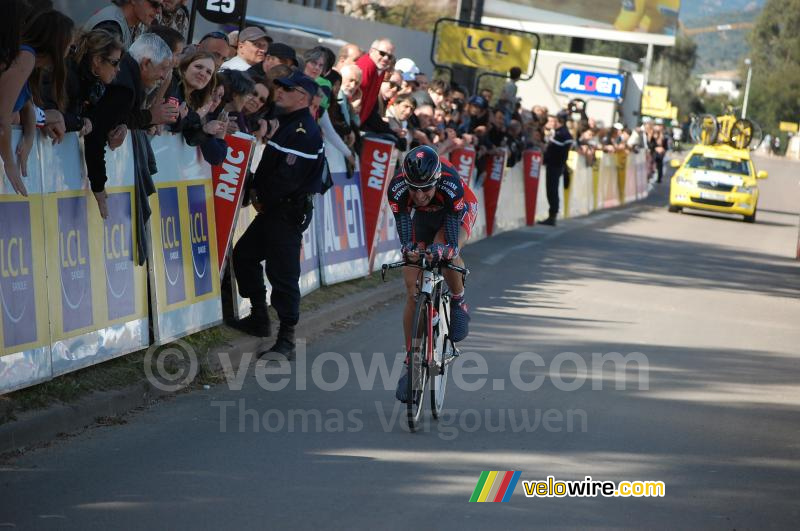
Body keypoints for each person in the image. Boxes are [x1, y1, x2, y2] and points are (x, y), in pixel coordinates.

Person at [231, 70, 324, 358]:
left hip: (286, 211)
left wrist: (260, 197)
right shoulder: (289, 122)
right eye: (280, 86)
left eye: (287, 88)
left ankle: (287, 339)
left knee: (283, 274)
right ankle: (259, 316)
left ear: (303, 97)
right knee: (244, 254)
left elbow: (287, 179)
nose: (279, 91)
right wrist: (255, 190)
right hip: (274, 208)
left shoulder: (304, 131)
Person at [387, 146, 478, 403]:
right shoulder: (397, 188)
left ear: (436, 179)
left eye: (426, 188)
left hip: (455, 211)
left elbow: (451, 237)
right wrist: (410, 249)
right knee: (411, 286)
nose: (419, 195)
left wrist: (445, 250)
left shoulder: (450, 183)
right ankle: (411, 361)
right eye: (413, 188)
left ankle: (459, 301)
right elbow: (404, 228)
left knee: (445, 252)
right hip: (423, 218)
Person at [83, 32, 175, 217]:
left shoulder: (127, 73)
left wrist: (125, 123)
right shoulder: (125, 87)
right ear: (146, 63)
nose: (164, 77)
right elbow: (96, 132)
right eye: (163, 69)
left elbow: (116, 115)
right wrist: (99, 186)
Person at [0, 8, 74, 197]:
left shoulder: (29, 61)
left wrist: (29, 137)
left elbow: (26, 106)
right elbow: (2, 118)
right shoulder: (26, 58)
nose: (70, 51)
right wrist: (9, 163)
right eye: (70, 46)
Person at [83, 0, 162, 50]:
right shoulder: (111, 27)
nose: (158, 11)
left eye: (160, 6)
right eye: (154, 4)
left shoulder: (128, 25)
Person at [540, 110, 573, 226]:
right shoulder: (562, 133)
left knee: (552, 190)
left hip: (555, 165)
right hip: (557, 165)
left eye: (554, 120)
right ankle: (552, 214)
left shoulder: (561, 134)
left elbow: (553, 150)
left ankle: (552, 215)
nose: (552, 122)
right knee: (552, 189)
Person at [355, 38, 395, 125]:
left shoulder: (380, 70)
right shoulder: (366, 65)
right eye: (382, 53)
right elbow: (355, 98)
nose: (386, 58)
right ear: (372, 50)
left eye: (390, 56)